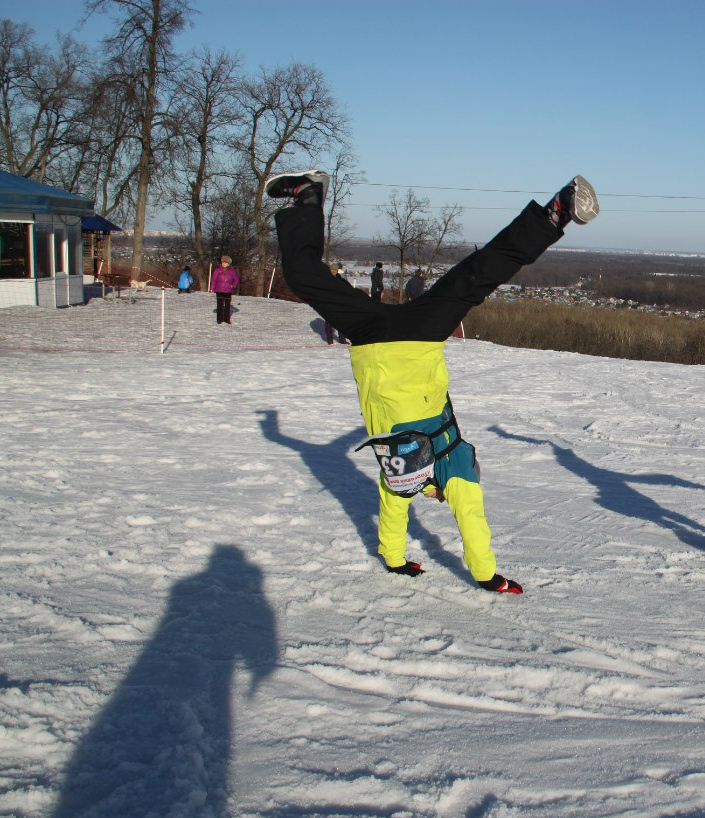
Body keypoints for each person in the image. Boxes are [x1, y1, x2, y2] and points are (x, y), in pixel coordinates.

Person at [269, 168, 599, 594]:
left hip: (379, 337)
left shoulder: (403, 474)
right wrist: (486, 576)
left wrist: (397, 559)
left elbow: (396, 512)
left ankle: (308, 197)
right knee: (475, 275)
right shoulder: (453, 464)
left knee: (470, 276)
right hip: (412, 339)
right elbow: (469, 516)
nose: (440, 496)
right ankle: (558, 211)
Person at [324, 265, 350, 344]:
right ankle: (330, 340)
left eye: (335, 269)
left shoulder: (340, 278)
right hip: (329, 302)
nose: (333, 271)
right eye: (332, 269)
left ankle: (342, 339)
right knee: (329, 322)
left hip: (339, 302)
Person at [210, 255, 239, 324]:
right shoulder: (217, 270)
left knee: (227, 306)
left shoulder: (232, 271)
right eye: (223, 262)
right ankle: (219, 319)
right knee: (219, 305)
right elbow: (213, 280)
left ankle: (226, 319)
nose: (224, 264)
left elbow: (236, 280)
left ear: (228, 264)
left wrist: (233, 285)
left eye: (225, 262)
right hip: (219, 290)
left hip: (228, 291)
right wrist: (212, 289)